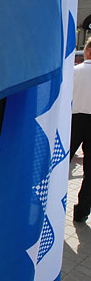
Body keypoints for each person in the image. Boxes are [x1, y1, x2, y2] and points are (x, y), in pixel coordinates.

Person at [70, 37, 91, 222]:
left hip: (74, 120)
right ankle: (82, 211)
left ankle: (44, 203)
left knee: (58, 164)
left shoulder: (75, 71)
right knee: (90, 172)